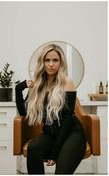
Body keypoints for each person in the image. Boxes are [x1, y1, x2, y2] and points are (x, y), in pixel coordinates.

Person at [15, 44, 86, 174]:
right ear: (42, 62)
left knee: (61, 171)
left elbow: (67, 119)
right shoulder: (37, 84)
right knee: (33, 148)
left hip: (72, 132)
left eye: (55, 60)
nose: (51, 64)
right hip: (51, 133)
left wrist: (55, 151)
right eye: (47, 60)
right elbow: (24, 113)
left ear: (61, 62)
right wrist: (19, 89)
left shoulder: (67, 82)